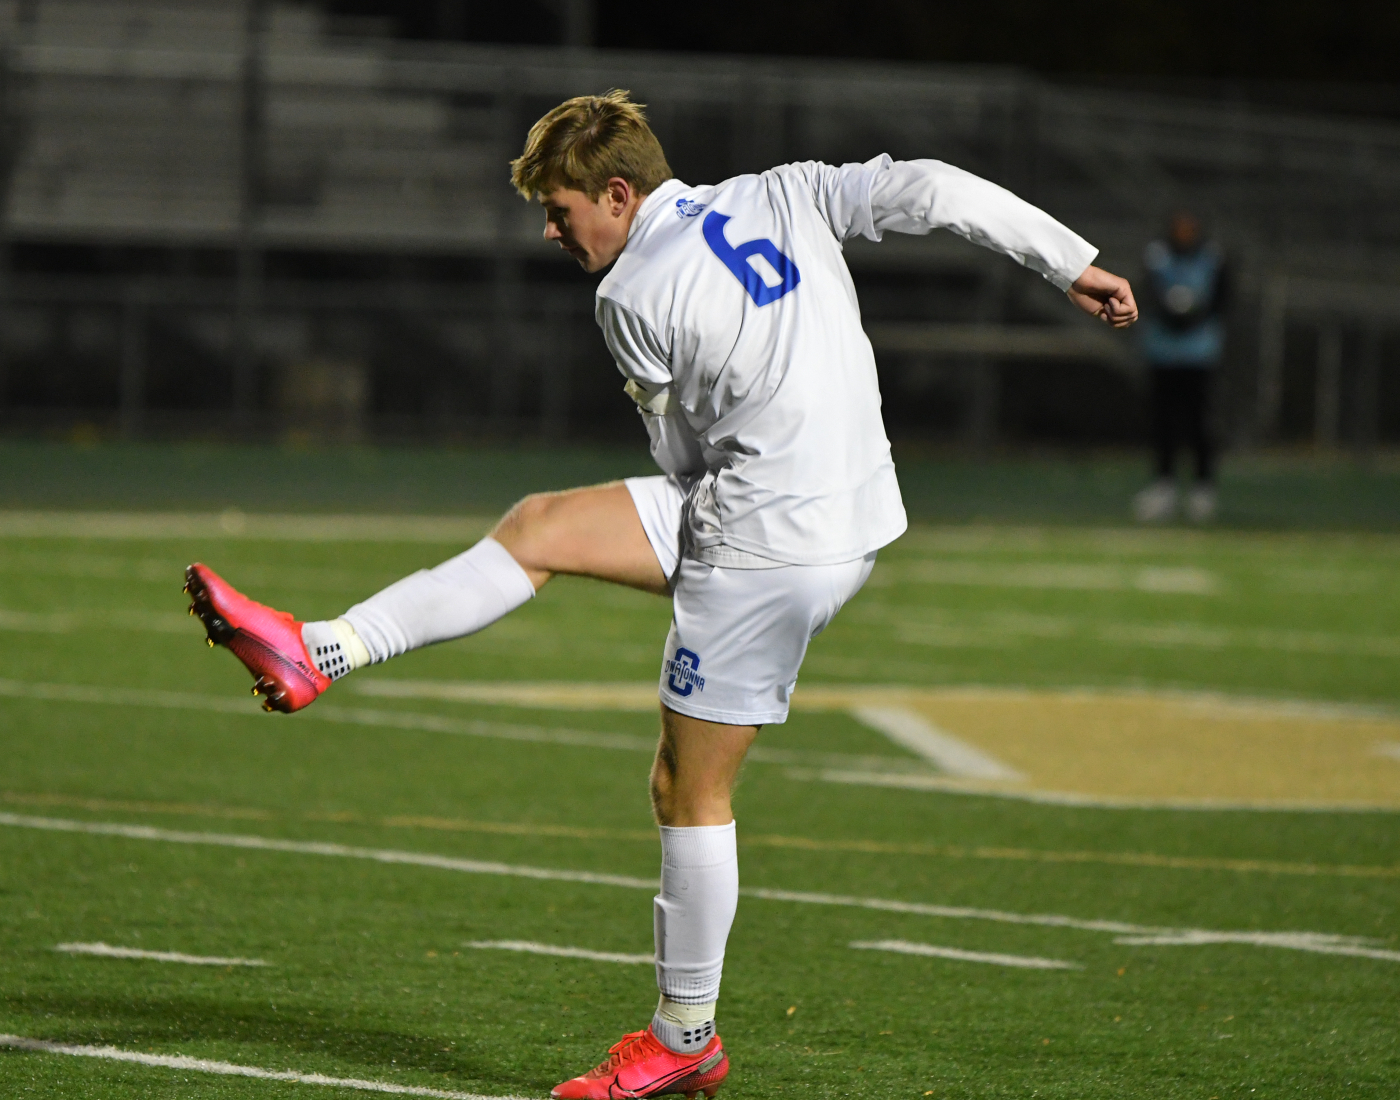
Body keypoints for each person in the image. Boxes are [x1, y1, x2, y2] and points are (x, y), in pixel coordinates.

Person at [183, 90, 1137, 1099]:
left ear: (618, 192)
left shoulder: (629, 291)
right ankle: (318, 647)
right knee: (540, 525)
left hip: (765, 540)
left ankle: (685, 1034)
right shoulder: (787, 191)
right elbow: (934, 188)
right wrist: (1068, 261)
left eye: (559, 211)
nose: (553, 232)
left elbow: (678, 455)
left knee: (688, 790)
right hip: (850, 506)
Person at [1134, 211, 1228, 523]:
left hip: (1199, 353)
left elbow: (1222, 299)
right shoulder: (1157, 256)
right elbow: (1148, 294)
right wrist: (1171, 314)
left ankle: (1203, 489)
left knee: (1200, 422)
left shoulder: (1212, 258)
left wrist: (1193, 315)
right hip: (1163, 352)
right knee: (1163, 422)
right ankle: (1165, 486)